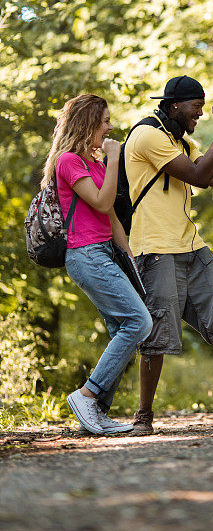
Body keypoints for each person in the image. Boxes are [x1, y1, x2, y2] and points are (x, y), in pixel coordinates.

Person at [125, 75, 213, 433]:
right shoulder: (147, 135)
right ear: (175, 106)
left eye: (204, 109)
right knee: (157, 334)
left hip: (193, 248)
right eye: (196, 108)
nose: (200, 115)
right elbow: (198, 174)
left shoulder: (178, 141)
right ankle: (144, 414)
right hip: (156, 250)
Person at [41, 94, 153, 435]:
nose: (111, 126)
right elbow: (103, 202)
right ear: (88, 123)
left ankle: (98, 412)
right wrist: (115, 156)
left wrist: (129, 258)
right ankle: (87, 394)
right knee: (139, 323)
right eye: (105, 121)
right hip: (85, 255)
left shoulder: (93, 163)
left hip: (105, 253)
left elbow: (113, 219)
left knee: (123, 330)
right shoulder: (69, 161)